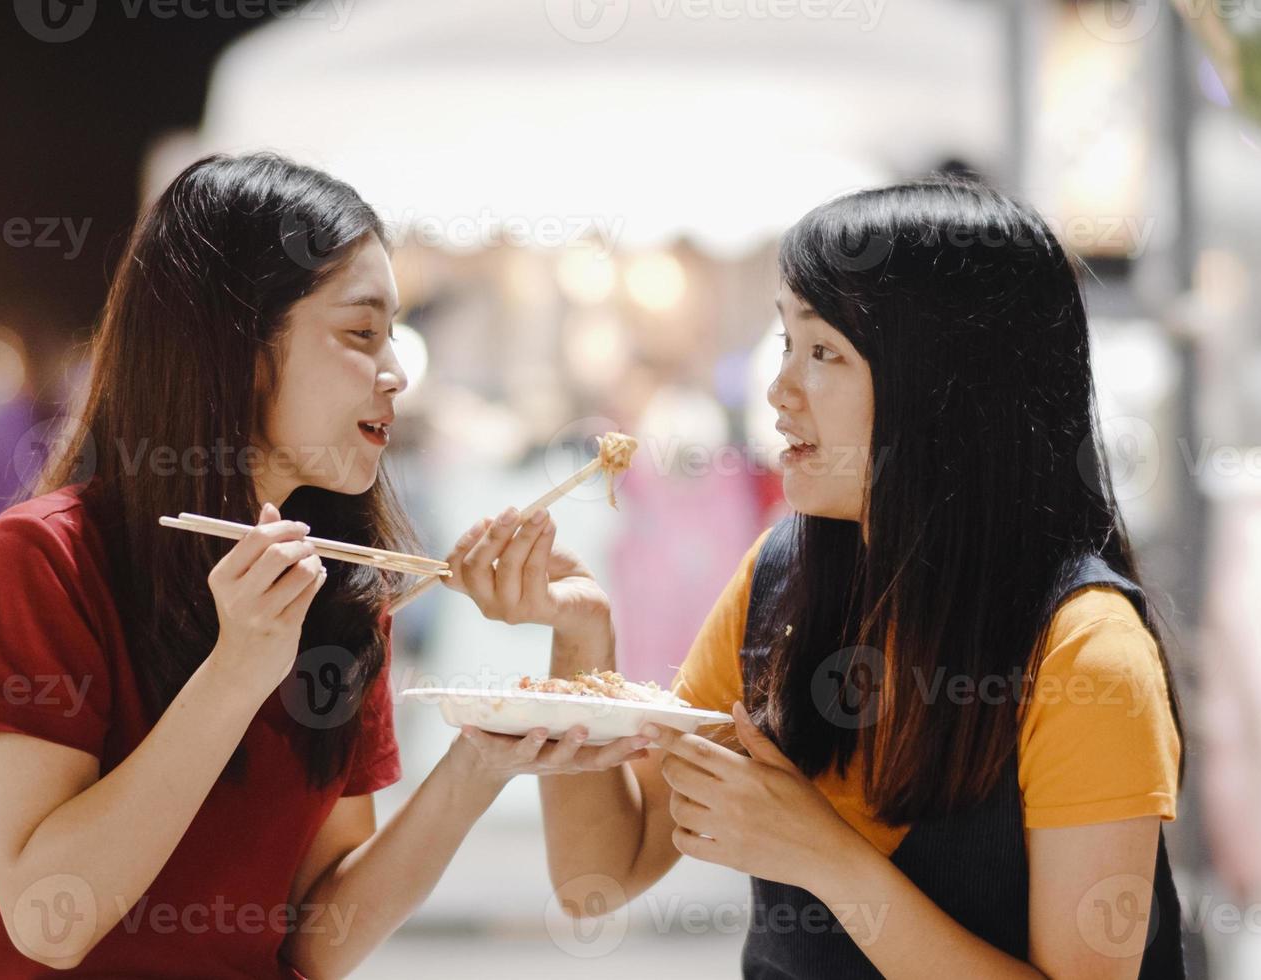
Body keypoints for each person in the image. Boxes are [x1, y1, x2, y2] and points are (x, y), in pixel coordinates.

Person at [449, 178, 1188, 978]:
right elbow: (602, 876)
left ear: (948, 387)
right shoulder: (780, 581)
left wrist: (823, 858)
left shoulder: (1088, 656)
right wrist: (579, 643)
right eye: (786, 346)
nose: (778, 392)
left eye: (825, 351)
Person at [0, 153, 646, 978]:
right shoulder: (47, 558)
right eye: (361, 334)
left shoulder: (344, 588)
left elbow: (318, 938)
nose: (397, 373)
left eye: (394, 335)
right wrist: (236, 669)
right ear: (237, 345)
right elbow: (48, 921)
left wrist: (485, 754)